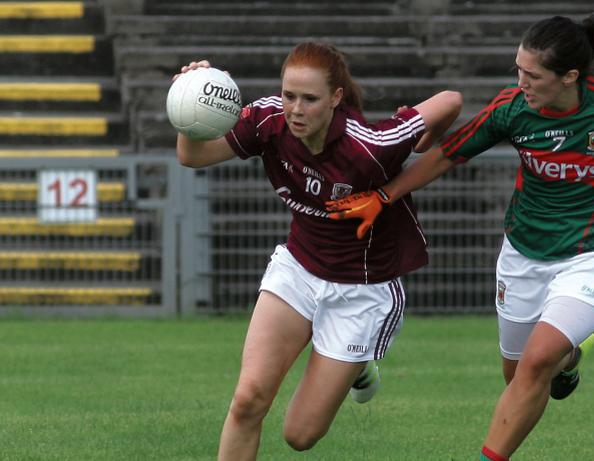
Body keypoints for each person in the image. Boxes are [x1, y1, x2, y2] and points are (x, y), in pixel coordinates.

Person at [326, 15, 594, 460]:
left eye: (532, 75)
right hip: (524, 253)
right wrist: (383, 196)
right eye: (517, 69)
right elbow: (447, 154)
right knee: (520, 374)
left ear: (569, 77)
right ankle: (569, 362)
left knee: (536, 362)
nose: (521, 82)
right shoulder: (512, 109)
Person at [173, 42, 462, 459]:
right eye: (290, 95)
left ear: (336, 98)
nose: (295, 109)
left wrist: (420, 145)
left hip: (362, 289)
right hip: (298, 269)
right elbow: (191, 156)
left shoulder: (371, 144)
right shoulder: (269, 120)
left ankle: (358, 366)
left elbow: (451, 101)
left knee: (299, 435)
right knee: (248, 400)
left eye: (309, 99)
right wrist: (190, 102)